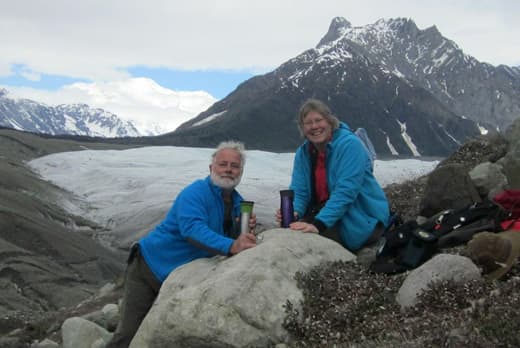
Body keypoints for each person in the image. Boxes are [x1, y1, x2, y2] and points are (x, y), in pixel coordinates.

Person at [107, 141, 257, 348]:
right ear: (211, 167)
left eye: (235, 166)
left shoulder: (239, 203)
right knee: (129, 334)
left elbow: (222, 235)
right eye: (223, 164)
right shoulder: (194, 193)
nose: (229, 170)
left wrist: (240, 230)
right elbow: (192, 230)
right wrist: (233, 245)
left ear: (241, 171)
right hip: (150, 267)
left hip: (180, 277)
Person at [277, 99, 389, 252]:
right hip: (328, 214)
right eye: (308, 123)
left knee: (304, 246)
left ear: (330, 121)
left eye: (318, 120)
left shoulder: (350, 145)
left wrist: (318, 225)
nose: (314, 126)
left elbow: (346, 191)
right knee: (291, 234)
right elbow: (300, 191)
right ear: (302, 128)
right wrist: (294, 213)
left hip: (360, 217)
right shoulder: (303, 153)